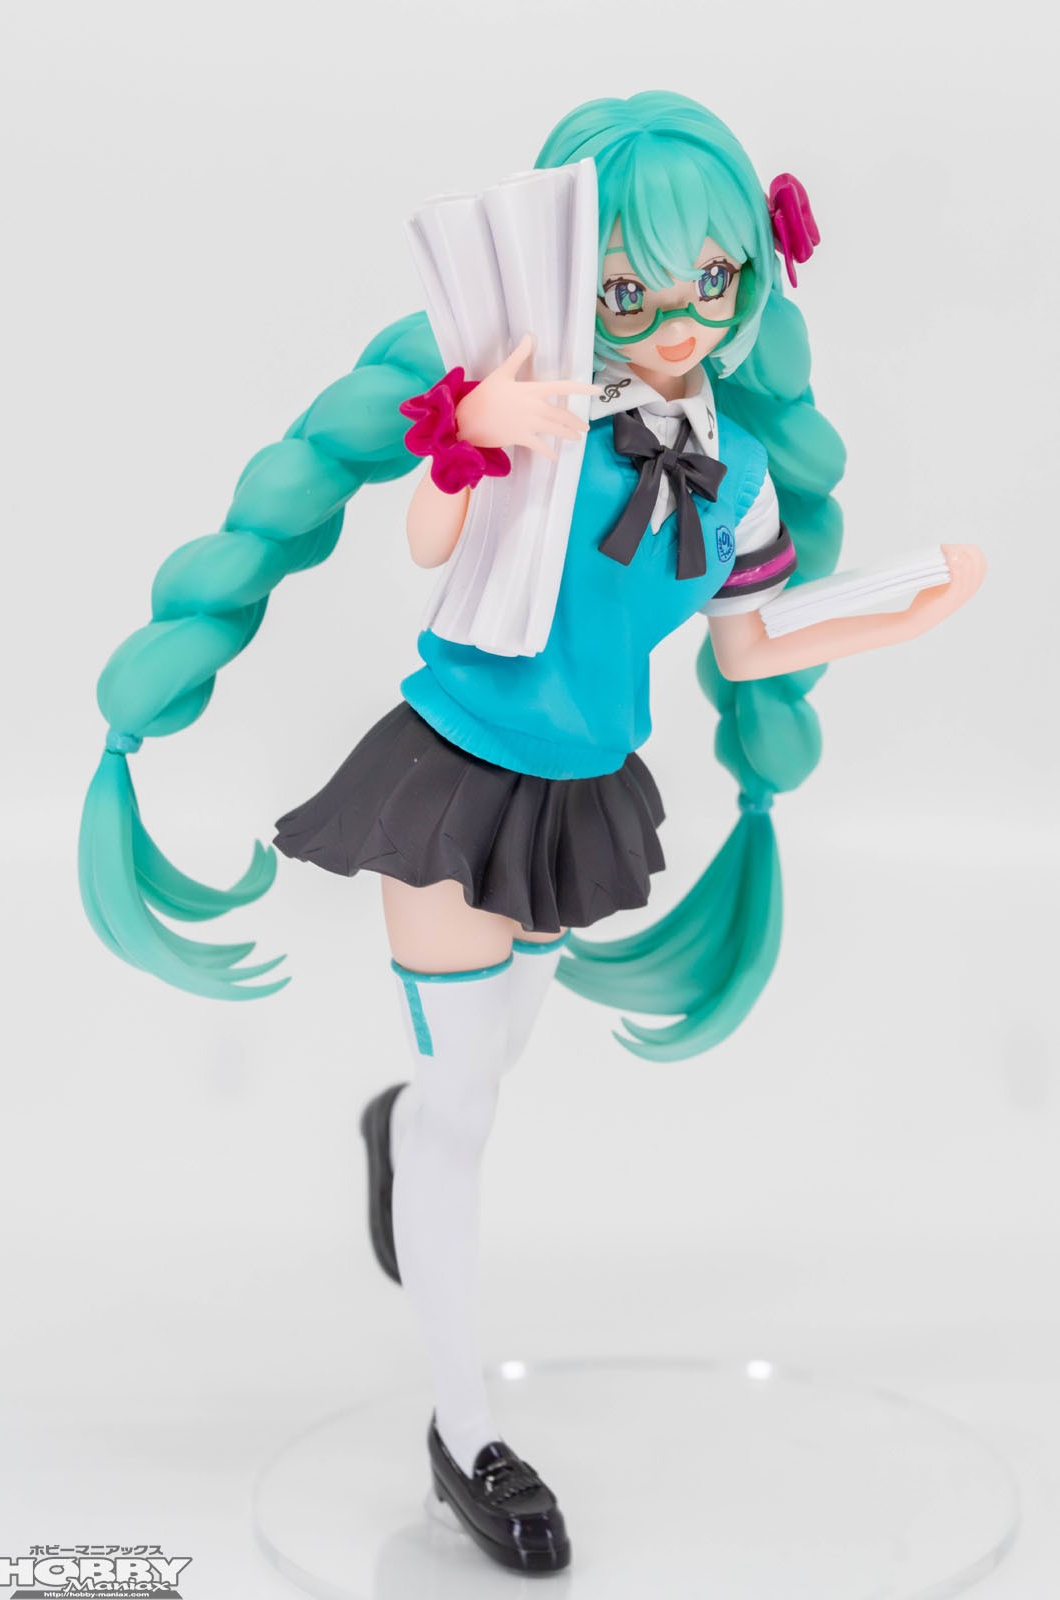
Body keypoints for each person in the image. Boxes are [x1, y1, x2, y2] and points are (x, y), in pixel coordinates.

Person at [80, 92, 986, 1576]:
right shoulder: (543, 411)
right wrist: (471, 433)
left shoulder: (738, 469)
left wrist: (901, 609)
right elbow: (429, 541)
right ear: (577, 281)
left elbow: (748, 643)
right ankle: (465, 1431)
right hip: (453, 775)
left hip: (581, 795)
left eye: (713, 281)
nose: (682, 322)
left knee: (487, 1062)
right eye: (632, 291)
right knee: (468, 1106)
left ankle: (397, 1129)